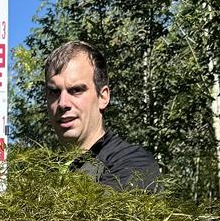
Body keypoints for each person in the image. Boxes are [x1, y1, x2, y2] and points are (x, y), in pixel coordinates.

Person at [44, 40, 162, 192]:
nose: (63, 103)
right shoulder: (44, 173)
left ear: (103, 97)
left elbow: (101, 214)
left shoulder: (132, 164)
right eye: (54, 92)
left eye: (76, 90)